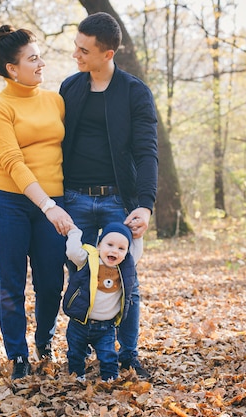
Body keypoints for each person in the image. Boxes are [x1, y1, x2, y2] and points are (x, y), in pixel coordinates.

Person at [59, 12, 159, 379]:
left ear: (108, 54)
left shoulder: (135, 93)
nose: (76, 55)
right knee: (80, 281)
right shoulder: (70, 87)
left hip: (119, 201)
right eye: (76, 46)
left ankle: (129, 354)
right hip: (75, 200)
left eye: (84, 50)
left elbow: (147, 152)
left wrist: (145, 205)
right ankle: (81, 355)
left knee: (125, 282)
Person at [0, 25, 75, 380]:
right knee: (11, 282)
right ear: (12, 68)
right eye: (33, 58)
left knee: (51, 281)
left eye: (40, 56)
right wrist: (46, 205)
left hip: (53, 201)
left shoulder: (55, 100)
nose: (41, 64)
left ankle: (44, 339)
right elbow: (12, 161)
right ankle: (18, 355)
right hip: (9, 201)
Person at [63, 222, 143, 382]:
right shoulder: (88, 259)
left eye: (121, 248)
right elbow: (72, 252)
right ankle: (77, 377)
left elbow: (137, 252)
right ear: (99, 245)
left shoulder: (125, 267)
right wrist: (73, 232)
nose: (114, 250)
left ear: (127, 252)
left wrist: (138, 237)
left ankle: (109, 379)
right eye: (110, 244)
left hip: (106, 326)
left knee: (108, 355)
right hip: (80, 323)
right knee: (75, 354)